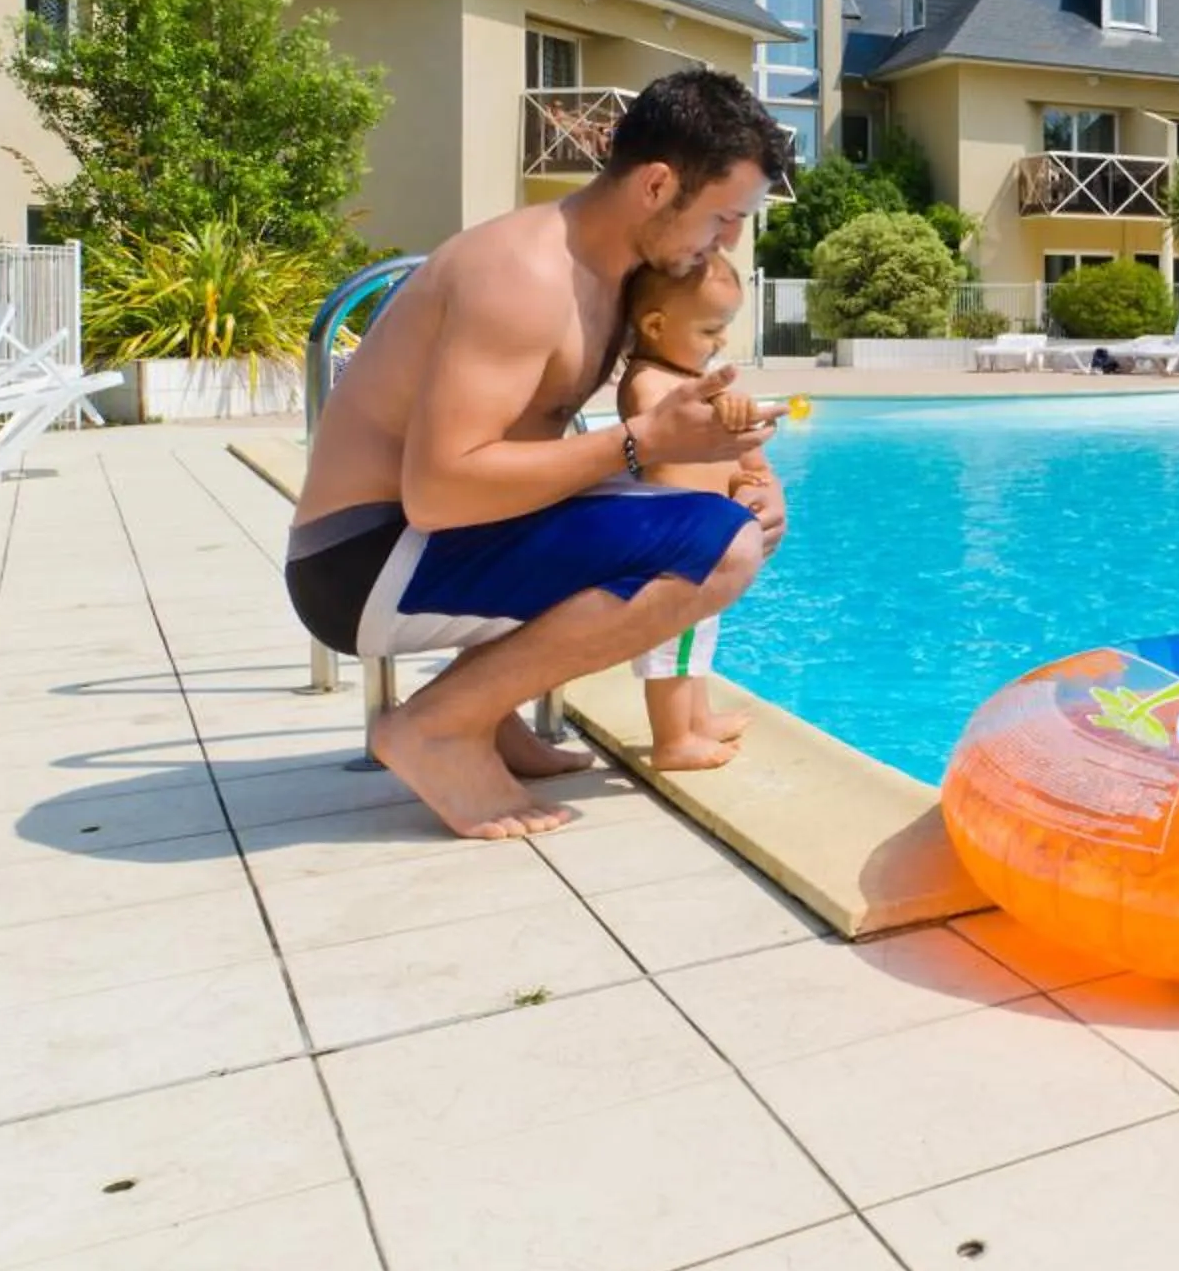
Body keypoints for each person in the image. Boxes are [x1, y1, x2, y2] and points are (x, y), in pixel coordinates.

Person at [283, 69, 795, 839]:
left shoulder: (615, 279)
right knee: (717, 547)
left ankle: (484, 712)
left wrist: (751, 477)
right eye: (723, 217)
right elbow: (442, 491)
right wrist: (641, 444)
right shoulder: (524, 274)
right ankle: (441, 725)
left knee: (725, 521)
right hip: (359, 560)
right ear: (658, 184)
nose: (726, 242)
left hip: (424, 541)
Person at [613, 254, 772, 771]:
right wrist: (720, 410)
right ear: (656, 325)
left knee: (695, 640)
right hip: (672, 544)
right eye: (710, 330)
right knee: (673, 645)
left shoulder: (677, 375)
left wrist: (737, 477)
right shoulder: (648, 382)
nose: (720, 342)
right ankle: (673, 740)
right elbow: (665, 432)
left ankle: (696, 721)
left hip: (699, 539)